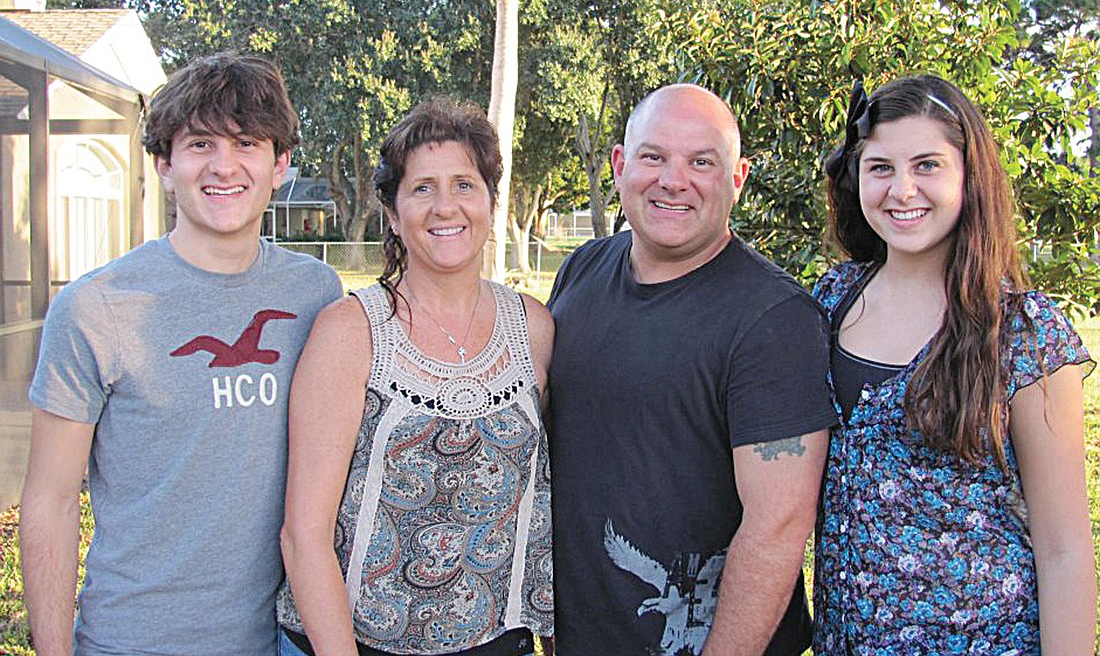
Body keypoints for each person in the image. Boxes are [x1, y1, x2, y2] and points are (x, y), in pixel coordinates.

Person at [19, 52, 344, 655]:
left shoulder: (315, 295)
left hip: (278, 638)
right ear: (165, 164)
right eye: (199, 144)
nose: (224, 166)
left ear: (281, 164)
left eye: (247, 142)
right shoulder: (97, 308)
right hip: (135, 640)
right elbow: (51, 500)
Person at [547, 83, 835, 655]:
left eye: (701, 162)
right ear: (620, 164)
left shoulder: (772, 319)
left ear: (737, 178)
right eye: (653, 157)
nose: (673, 181)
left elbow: (777, 526)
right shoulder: (582, 272)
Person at [813, 75, 1096, 653]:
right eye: (881, 168)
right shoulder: (829, 301)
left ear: (970, 177)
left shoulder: (1021, 332)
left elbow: (1064, 547)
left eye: (927, 166)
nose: (902, 189)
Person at [276, 98, 554, 656]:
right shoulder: (350, 332)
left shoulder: (534, 327)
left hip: (498, 642)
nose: (445, 206)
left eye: (464, 185)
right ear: (394, 213)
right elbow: (303, 535)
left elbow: (539, 499)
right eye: (423, 188)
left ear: (490, 203)